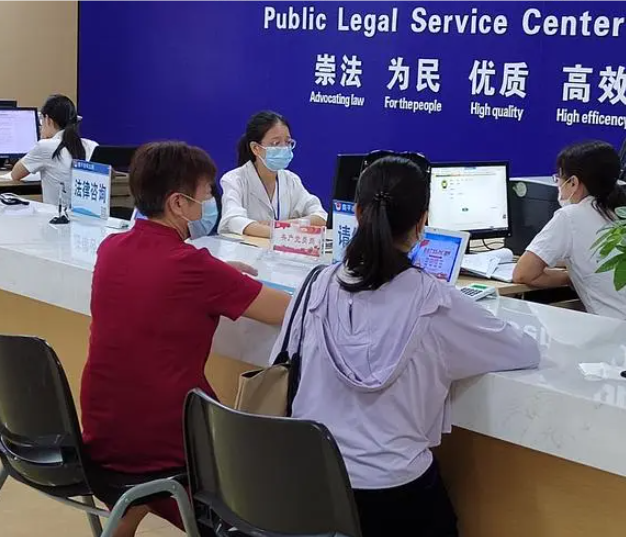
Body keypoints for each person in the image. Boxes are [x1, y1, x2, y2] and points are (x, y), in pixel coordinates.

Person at [270, 155, 540, 537]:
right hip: (394, 495)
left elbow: (280, 364)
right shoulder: (437, 301)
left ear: (358, 213)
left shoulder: (314, 285)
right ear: (422, 222)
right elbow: (522, 350)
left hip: (307, 486)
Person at [80, 141, 291, 537]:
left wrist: (217, 272)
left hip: (103, 434)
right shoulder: (194, 268)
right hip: (169, 443)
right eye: (206, 193)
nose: (210, 202)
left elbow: (165, 279)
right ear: (178, 203)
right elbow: (289, 311)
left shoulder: (112, 248)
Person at [513, 141, 626, 320]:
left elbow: (523, 274)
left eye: (558, 178)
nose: (558, 185)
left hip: (614, 329)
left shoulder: (570, 216)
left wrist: (569, 278)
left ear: (573, 182)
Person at [220, 110, 327, 238]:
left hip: (284, 249)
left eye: (288, 142)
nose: (284, 148)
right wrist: (282, 232)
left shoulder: (291, 180)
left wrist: (280, 226)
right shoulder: (234, 179)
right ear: (255, 148)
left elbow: (320, 216)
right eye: (276, 143)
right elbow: (233, 220)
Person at [10, 94, 98, 206]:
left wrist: (42, 140)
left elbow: (15, 175)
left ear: (47, 119)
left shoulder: (45, 146)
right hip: (87, 214)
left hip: (57, 215)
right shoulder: (92, 145)